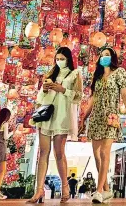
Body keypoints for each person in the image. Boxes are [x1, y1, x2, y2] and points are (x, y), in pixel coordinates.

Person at [27, 47, 83, 204]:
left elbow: (78, 96)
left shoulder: (75, 74)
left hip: (62, 116)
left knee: (59, 153)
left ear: (68, 59)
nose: (59, 61)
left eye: (62, 58)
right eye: (57, 58)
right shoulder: (51, 73)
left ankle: (65, 187)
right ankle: (38, 191)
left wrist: (63, 89)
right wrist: (45, 89)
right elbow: (40, 97)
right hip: (46, 114)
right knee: (43, 152)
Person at [80, 48, 126, 203]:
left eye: (107, 55)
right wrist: (84, 117)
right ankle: (107, 190)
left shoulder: (119, 73)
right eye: (102, 55)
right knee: (96, 154)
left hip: (111, 117)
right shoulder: (96, 76)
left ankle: (98, 191)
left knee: (104, 153)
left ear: (112, 57)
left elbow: (124, 95)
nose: (104, 57)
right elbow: (93, 98)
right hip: (96, 117)